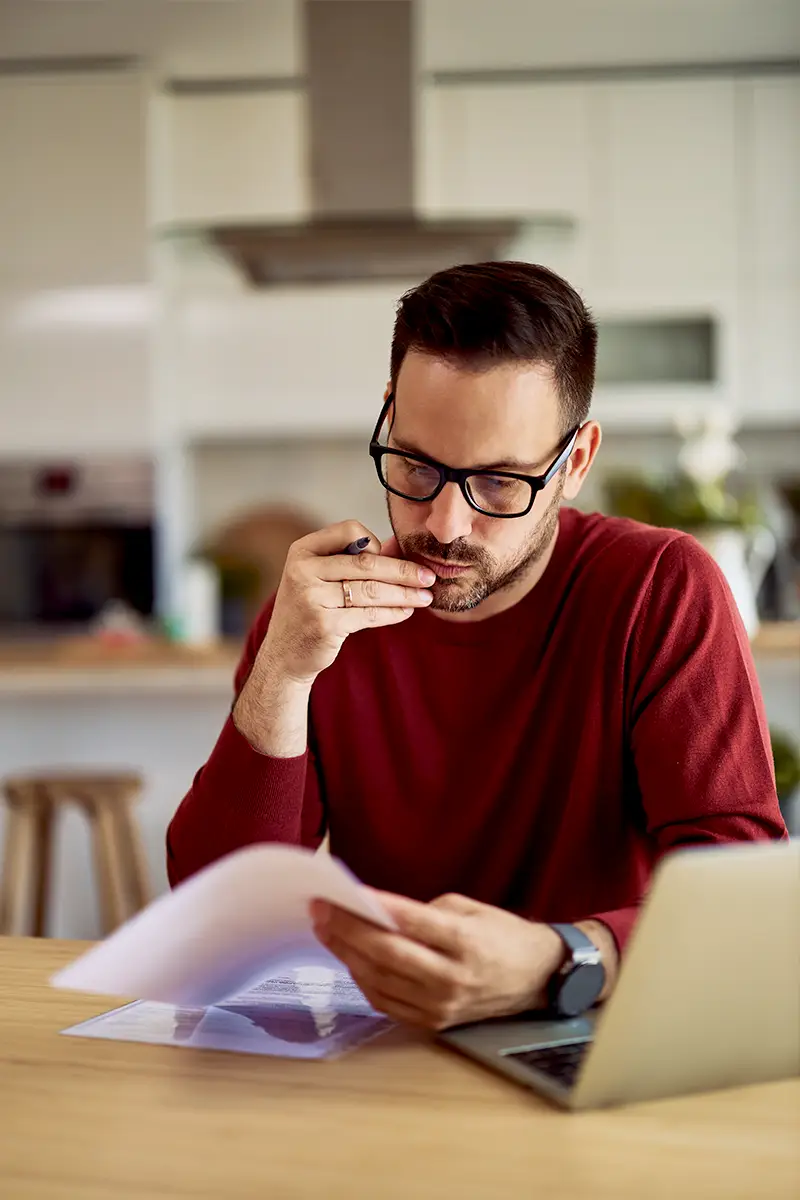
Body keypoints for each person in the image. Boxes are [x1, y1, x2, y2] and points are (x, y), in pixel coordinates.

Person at [167, 261, 785, 1031]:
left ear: (576, 463)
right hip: (390, 1046)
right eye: (417, 466)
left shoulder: (659, 589)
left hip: (596, 1028)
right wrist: (282, 675)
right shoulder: (317, 616)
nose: (446, 525)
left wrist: (565, 960)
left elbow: (743, 892)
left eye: (499, 483)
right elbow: (217, 931)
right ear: (388, 418)